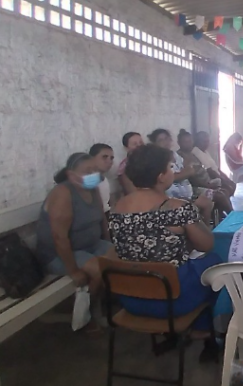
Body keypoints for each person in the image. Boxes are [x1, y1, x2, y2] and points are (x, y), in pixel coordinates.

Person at [109, 143, 220, 359]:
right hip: (172, 301)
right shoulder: (175, 207)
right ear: (161, 176)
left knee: (184, 267)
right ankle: (204, 330)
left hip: (131, 298)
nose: (173, 171)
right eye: (170, 167)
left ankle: (175, 335)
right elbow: (206, 244)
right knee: (215, 264)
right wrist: (204, 213)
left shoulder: (118, 208)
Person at [35, 153, 116, 331]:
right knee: (100, 270)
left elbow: (101, 218)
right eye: (88, 171)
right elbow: (59, 237)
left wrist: (109, 243)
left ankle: (91, 305)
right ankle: (85, 317)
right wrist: (73, 271)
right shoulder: (63, 193)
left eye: (95, 170)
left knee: (119, 259)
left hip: (91, 245)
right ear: (72, 175)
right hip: (61, 253)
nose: (94, 174)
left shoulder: (93, 189)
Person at [177, 130, 233, 216]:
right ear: (179, 143)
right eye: (185, 142)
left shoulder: (193, 154)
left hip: (205, 183)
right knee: (220, 195)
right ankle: (232, 216)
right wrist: (207, 185)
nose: (188, 144)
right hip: (196, 187)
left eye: (190, 141)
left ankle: (219, 216)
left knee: (224, 191)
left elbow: (204, 169)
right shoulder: (180, 157)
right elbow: (191, 178)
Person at [149, 128, 193, 201]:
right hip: (171, 197)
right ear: (155, 144)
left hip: (188, 193)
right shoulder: (156, 159)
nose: (165, 142)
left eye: (166, 138)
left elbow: (191, 170)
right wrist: (185, 173)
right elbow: (167, 179)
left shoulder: (176, 155)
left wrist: (183, 173)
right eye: (160, 140)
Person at [193, 131, 237, 196]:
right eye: (204, 141)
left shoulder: (205, 151)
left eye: (208, 141)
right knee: (227, 189)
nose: (207, 144)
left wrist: (227, 179)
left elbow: (216, 168)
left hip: (218, 178)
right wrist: (224, 181)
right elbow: (210, 171)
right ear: (197, 141)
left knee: (232, 185)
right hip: (211, 180)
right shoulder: (196, 151)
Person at [89, 143, 114, 216]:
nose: (109, 161)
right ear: (92, 158)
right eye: (104, 157)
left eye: (111, 158)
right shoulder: (88, 180)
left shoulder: (104, 179)